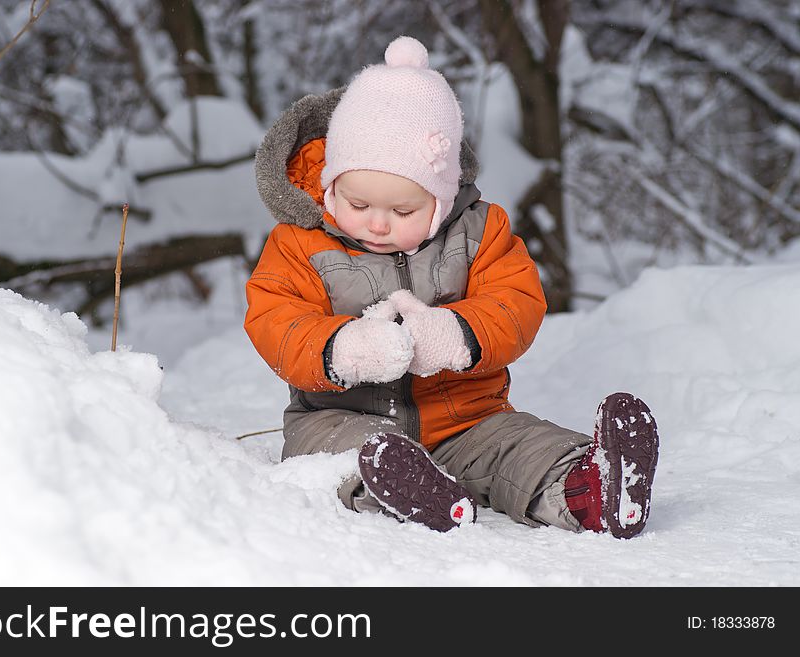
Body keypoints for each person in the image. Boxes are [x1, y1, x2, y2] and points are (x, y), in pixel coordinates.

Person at [246, 36, 658, 539]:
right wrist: (343, 349)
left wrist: (458, 334)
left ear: (440, 199)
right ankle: (409, 493)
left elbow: (517, 304)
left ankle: (589, 488)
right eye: (356, 204)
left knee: (521, 445)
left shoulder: (481, 230)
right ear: (331, 185)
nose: (377, 224)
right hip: (339, 415)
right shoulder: (299, 243)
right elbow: (276, 321)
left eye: (402, 212)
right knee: (349, 455)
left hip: (468, 416)